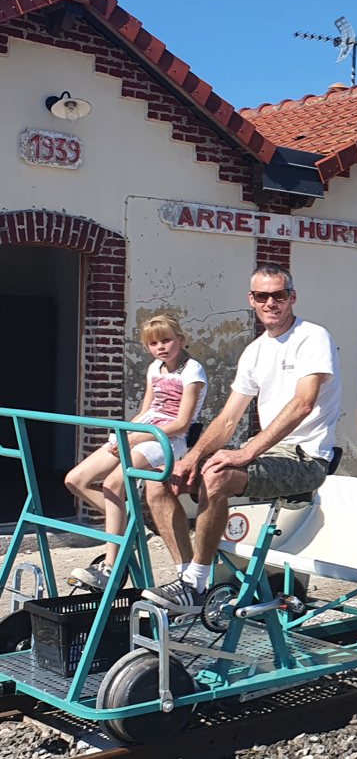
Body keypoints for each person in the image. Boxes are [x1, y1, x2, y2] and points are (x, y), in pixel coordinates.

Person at [142, 263, 341, 615]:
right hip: (266, 453)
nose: (271, 303)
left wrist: (244, 453)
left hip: (306, 457)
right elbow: (228, 418)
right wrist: (190, 458)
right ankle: (187, 575)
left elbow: (303, 403)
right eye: (262, 296)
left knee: (216, 476)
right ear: (252, 300)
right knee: (161, 478)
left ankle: (196, 585)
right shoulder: (255, 351)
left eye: (278, 295)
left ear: (292, 297)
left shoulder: (313, 337)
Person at [65, 316, 207, 591]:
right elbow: (146, 410)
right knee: (76, 480)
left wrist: (135, 438)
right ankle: (129, 526)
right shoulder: (155, 368)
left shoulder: (193, 372)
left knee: (113, 484)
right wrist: (125, 433)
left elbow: (181, 424)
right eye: (153, 343)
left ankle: (110, 566)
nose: (161, 347)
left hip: (166, 439)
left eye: (166, 340)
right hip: (143, 431)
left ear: (180, 339)